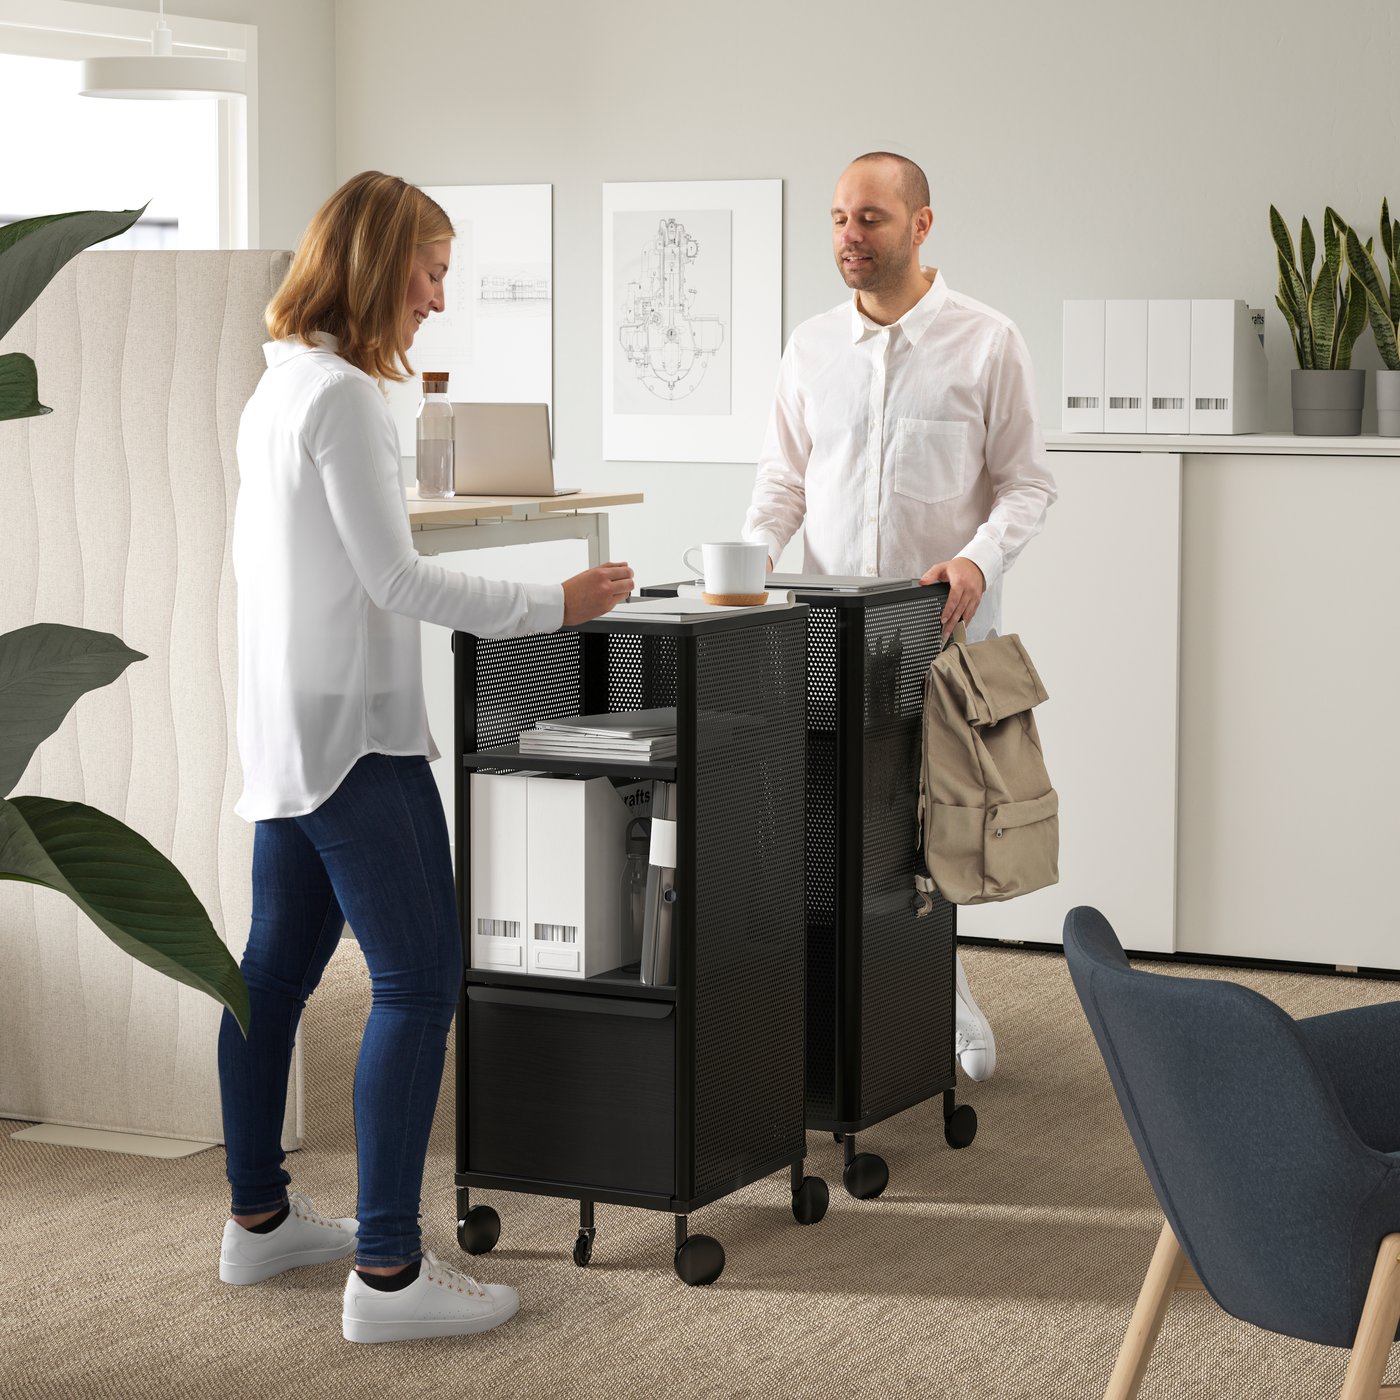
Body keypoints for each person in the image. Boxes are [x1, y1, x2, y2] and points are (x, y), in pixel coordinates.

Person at [216, 171, 634, 1344]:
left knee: (270, 976)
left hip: (286, 719)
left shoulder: (278, 385)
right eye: (431, 269)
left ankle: (257, 1220)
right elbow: (394, 579)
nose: (438, 299)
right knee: (415, 979)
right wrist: (553, 602)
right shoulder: (342, 397)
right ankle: (389, 1275)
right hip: (355, 731)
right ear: (377, 260)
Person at [743, 152, 1056, 1083]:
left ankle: (944, 995)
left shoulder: (988, 341)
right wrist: (752, 559)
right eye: (839, 218)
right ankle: (837, 1007)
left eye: (870, 219)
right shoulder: (808, 348)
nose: (849, 236)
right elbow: (782, 481)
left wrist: (976, 558)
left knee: (939, 822)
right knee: (836, 818)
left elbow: (1028, 484)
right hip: (830, 629)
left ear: (921, 226)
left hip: (943, 633)